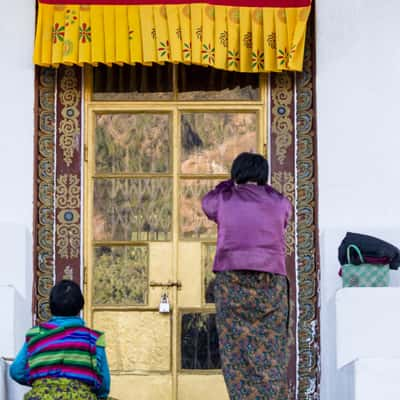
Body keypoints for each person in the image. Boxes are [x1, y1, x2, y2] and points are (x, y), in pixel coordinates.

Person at [202, 152, 292, 399]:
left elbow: (206, 203)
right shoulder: (278, 201)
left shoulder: (225, 198)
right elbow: (286, 215)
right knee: (272, 352)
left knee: (236, 353)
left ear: (236, 173)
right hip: (270, 286)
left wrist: (230, 184)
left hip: (233, 284)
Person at [10, 280, 110, 400]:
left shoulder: (35, 334)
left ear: (50, 306)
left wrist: (39, 379)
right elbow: (104, 386)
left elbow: (16, 371)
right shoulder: (94, 338)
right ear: (81, 306)